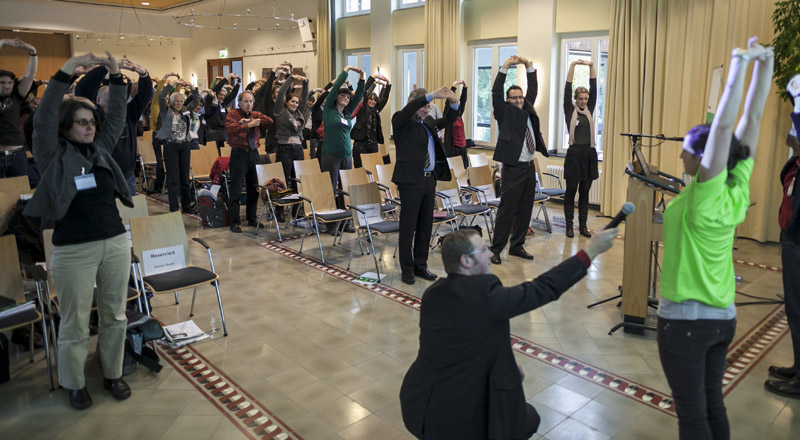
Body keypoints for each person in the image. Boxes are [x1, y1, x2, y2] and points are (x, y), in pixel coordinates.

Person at [399, 227, 618, 439]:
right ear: (466, 261)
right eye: (483, 250)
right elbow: (544, 288)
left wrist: (508, 369)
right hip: (457, 417)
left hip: (418, 403)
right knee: (528, 420)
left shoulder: (432, 294)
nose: (491, 253)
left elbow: (464, 344)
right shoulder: (487, 296)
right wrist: (590, 251)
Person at [657, 38, 773, 439]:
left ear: (705, 160)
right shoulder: (736, 188)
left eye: (687, 152)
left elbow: (726, 127)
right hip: (722, 316)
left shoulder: (705, 196)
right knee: (711, 404)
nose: (682, 158)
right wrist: (766, 65)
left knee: (692, 416)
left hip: (687, 321)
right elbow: (752, 120)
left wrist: (739, 64)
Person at [24, 52, 133, 410]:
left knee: (115, 315)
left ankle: (112, 373)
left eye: (91, 122)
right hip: (74, 250)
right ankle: (74, 383)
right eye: (81, 122)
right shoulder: (52, 155)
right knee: (74, 323)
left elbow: (117, 115)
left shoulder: (101, 149)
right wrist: (66, 71)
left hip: (115, 242)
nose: (89, 127)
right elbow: (42, 119)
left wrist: (116, 75)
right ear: (67, 126)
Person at [392, 86, 458, 285]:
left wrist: (453, 102)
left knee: (425, 226)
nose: (426, 110)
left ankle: (421, 265)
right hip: (410, 181)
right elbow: (410, 108)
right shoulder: (401, 120)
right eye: (423, 106)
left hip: (429, 180)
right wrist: (431, 95)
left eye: (429, 107)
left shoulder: (428, 123)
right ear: (414, 104)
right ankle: (407, 269)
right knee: (408, 227)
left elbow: (449, 120)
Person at [489, 56, 549, 265]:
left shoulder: (527, 109)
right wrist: (504, 68)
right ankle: (495, 249)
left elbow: (533, 90)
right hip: (512, 169)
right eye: (514, 97)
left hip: (529, 167)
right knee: (507, 210)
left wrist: (529, 66)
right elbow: (496, 92)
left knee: (525, 209)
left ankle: (517, 246)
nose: (518, 100)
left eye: (520, 97)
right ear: (508, 100)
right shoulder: (504, 113)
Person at [765, 73, 800, 399]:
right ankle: (797, 365)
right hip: (792, 238)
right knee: (793, 308)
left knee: (799, 308)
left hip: (799, 240)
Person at [92, 59, 154, 196]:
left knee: (128, 214)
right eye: (109, 101)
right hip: (101, 175)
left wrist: (143, 74)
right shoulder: (92, 117)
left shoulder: (129, 112)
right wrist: (105, 70)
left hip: (126, 176)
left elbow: (145, 94)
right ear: (98, 100)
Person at [321, 66, 365, 235]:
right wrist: (345, 71)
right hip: (330, 155)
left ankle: (346, 222)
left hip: (347, 156)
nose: (346, 98)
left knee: (345, 190)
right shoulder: (329, 110)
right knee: (331, 190)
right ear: (336, 97)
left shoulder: (347, 114)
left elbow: (359, 96)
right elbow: (334, 89)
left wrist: (362, 78)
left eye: (347, 96)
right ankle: (331, 225)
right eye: (343, 95)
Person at [225, 91, 272, 233]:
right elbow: (231, 130)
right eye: (246, 101)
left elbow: (269, 121)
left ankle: (252, 218)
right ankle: (234, 221)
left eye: (251, 101)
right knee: (236, 188)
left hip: (253, 153)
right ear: (239, 103)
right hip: (239, 153)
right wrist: (249, 125)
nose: (249, 104)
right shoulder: (232, 114)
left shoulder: (255, 114)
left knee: (253, 187)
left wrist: (251, 121)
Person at [563, 59, 599, 238]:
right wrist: (572, 67)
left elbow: (595, 88)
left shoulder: (590, 110)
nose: (584, 101)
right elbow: (567, 88)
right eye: (580, 98)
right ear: (575, 99)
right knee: (571, 192)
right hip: (574, 154)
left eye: (586, 98)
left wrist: (592, 67)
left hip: (589, 154)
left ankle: (582, 227)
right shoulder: (570, 111)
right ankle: (569, 226)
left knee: (584, 192)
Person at [154, 78, 200, 213]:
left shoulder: (186, 110)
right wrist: (172, 84)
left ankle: (186, 206)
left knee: (185, 178)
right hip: (171, 147)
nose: (179, 104)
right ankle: (174, 208)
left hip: (184, 146)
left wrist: (192, 86)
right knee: (173, 179)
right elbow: (162, 96)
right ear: (171, 102)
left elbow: (196, 100)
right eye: (176, 101)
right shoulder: (165, 111)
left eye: (180, 101)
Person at [0, 37, 37, 179]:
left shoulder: (16, 96)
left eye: (9, 83)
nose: (7, 85)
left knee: (21, 194)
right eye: (2, 83)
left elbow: (29, 75)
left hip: (17, 155)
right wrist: (3, 43)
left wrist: (33, 51)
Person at [274, 73, 309, 190]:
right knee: (283, 179)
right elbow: (281, 94)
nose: (295, 104)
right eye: (292, 101)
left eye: (296, 102)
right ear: (287, 102)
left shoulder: (299, 113)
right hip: (285, 150)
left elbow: (305, 99)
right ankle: (280, 208)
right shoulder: (280, 111)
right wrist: (291, 79)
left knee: (298, 180)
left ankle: (296, 207)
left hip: (298, 149)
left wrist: (306, 83)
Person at [350, 74, 391, 168]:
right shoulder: (362, 107)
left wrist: (387, 85)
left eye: (374, 100)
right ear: (367, 100)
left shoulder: (376, 110)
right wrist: (373, 78)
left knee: (373, 167)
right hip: (361, 142)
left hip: (373, 143)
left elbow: (384, 99)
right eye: (370, 99)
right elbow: (363, 91)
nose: (372, 101)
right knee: (361, 168)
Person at [205, 73, 240, 156]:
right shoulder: (210, 101)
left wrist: (238, 83)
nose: (222, 97)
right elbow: (215, 89)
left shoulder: (223, 104)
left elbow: (232, 96)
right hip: (212, 131)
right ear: (216, 94)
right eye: (220, 94)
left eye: (224, 95)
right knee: (212, 154)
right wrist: (227, 77)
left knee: (225, 153)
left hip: (223, 131)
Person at [443, 80, 469, 168]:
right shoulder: (448, 117)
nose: (457, 103)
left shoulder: (459, 115)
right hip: (452, 148)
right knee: (455, 172)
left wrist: (465, 88)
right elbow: (447, 103)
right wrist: (453, 86)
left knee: (463, 171)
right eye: (455, 102)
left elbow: (463, 102)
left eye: (457, 102)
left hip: (462, 147)